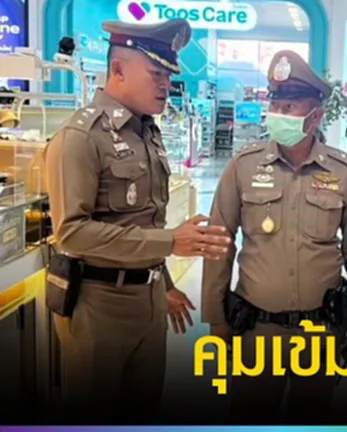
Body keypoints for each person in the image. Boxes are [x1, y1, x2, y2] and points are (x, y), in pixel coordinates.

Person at [45, 19, 231, 422]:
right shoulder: (81, 137)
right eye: (156, 74)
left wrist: (163, 284)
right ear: (118, 70)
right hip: (98, 307)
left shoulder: (147, 133)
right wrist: (170, 243)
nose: (166, 85)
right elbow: (71, 233)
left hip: (147, 305)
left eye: (169, 75)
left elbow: (142, 220)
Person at [201, 50, 347, 423]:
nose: (279, 113)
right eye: (276, 104)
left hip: (320, 331)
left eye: (290, 106)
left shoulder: (342, 171)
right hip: (256, 331)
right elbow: (220, 241)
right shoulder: (243, 166)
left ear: (316, 116)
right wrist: (215, 315)